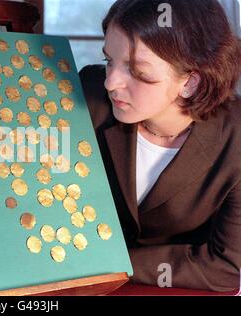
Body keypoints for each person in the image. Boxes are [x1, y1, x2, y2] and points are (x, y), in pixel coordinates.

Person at [79, 0, 241, 292]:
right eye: (109, 61)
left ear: (191, 82)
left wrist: (111, 263)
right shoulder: (88, 92)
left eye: (137, 71)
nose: (111, 82)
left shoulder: (236, 141)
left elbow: (225, 267)